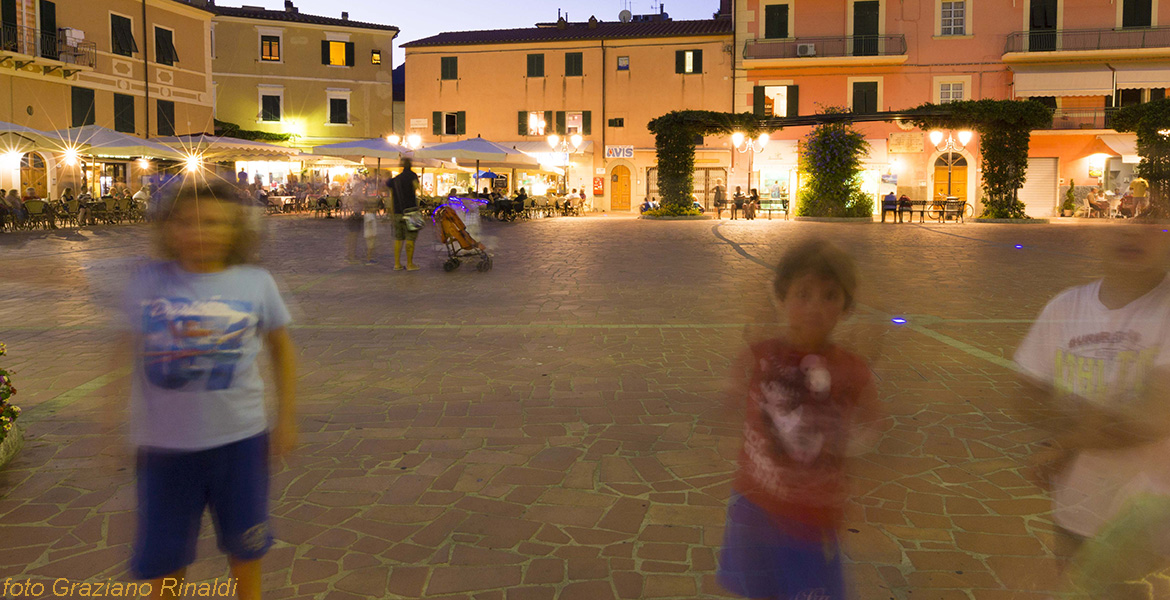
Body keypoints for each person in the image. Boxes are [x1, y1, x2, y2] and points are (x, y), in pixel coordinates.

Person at [119, 179, 296, 600]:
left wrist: (286, 418)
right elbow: (122, 348)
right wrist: (110, 420)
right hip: (164, 448)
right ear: (168, 229)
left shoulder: (255, 283)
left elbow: (282, 351)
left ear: (236, 230)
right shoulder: (148, 282)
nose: (201, 232)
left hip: (240, 441)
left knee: (246, 547)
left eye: (215, 223)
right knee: (166, 556)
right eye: (187, 222)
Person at [717, 239, 882, 600]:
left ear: (846, 306)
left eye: (829, 296)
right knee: (758, 591)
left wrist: (852, 442)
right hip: (754, 510)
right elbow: (730, 394)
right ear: (782, 298)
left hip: (811, 521)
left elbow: (872, 422)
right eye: (802, 294)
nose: (814, 307)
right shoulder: (761, 355)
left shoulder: (851, 369)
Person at [1014, 221, 1170, 598]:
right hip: (1077, 503)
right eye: (1120, 223)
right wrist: (1085, 425)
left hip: (1154, 515)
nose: (1131, 234)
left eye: (1151, 225)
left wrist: (1066, 440)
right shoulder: (1066, 306)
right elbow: (1026, 394)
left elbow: (1152, 417)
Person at [389, 158, 421, 271]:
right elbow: (417, 188)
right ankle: (409, 264)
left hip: (398, 212)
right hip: (411, 212)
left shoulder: (395, 180)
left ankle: (397, 264)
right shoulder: (412, 176)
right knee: (410, 238)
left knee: (398, 238)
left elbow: (390, 192)